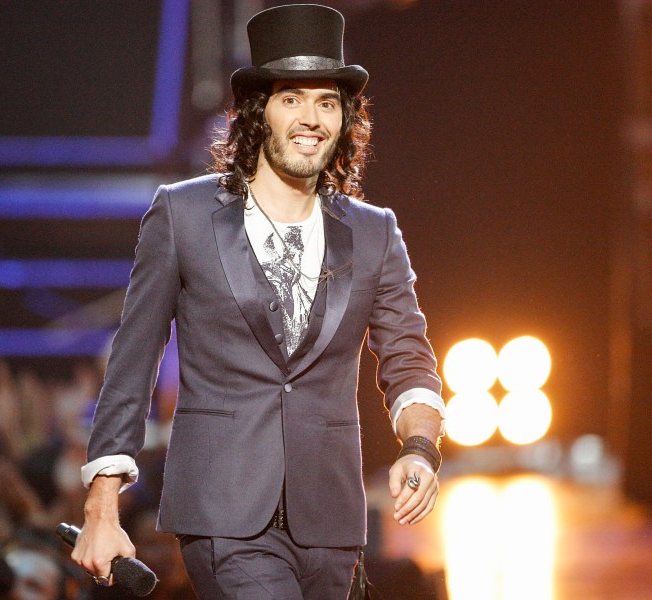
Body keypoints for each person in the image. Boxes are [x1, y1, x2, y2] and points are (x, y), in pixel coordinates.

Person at [73, 4, 445, 598]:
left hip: (331, 520)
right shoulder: (184, 215)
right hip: (223, 514)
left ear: (345, 118)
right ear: (257, 113)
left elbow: (408, 355)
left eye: (328, 101)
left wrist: (420, 448)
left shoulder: (375, 232)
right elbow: (133, 362)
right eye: (292, 98)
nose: (312, 118)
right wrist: (102, 507)